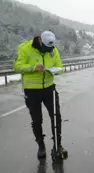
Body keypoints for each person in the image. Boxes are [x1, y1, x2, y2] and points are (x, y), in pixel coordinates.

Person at [13, 31, 67, 159]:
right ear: (39, 40)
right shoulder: (24, 48)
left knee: (56, 117)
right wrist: (33, 67)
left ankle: (57, 145)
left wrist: (56, 71)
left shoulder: (53, 49)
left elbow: (60, 66)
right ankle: (41, 146)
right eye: (45, 48)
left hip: (49, 88)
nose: (47, 51)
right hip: (32, 90)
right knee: (37, 120)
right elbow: (17, 67)